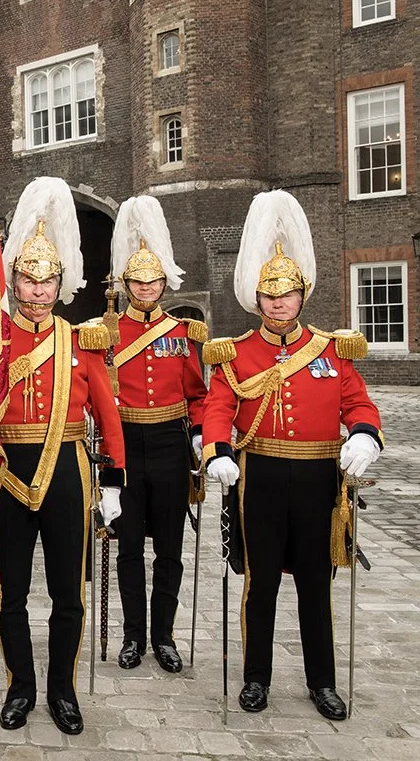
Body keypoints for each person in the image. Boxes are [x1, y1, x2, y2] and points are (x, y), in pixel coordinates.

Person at [202, 190, 382, 721]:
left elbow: (358, 402)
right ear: (256, 299)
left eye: (287, 295)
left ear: (302, 296)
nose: (278, 304)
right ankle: (256, 677)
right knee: (259, 586)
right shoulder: (235, 353)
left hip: (316, 479)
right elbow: (219, 407)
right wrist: (217, 453)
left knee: (313, 583)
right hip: (259, 476)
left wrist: (365, 435)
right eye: (269, 296)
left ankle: (321, 681)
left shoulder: (331, 350)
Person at [0, 177, 125, 735]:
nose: (40, 289)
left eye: (49, 280)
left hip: (68, 470)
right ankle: (20, 686)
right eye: (30, 278)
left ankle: (62, 690)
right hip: (6, 475)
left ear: (61, 281)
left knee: (68, 591)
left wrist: (114, 480)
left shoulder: (81, 341)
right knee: (12, 591)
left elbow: (107, 414)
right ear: (15, 279)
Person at [106, 196, 209, 674]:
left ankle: (164, 636)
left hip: (170, 443)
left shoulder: (185, 333)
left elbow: (198, 394)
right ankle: (132, 635)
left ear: (164, 283)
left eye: (153, 282)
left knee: (169, 547)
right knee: (128, 548)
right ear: (125, 284)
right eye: (137, 282)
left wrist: (200, 439)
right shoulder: (105, 333)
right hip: (123, 446)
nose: (145, 289)